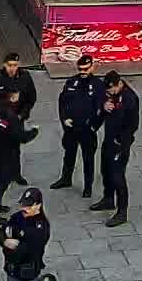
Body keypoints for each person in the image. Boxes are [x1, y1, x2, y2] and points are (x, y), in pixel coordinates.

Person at [50, 55, 107, 194]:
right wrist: (64, 119)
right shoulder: (71, 82)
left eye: (86, 69)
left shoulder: (98, 85)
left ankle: (88, 187)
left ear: (92, 67)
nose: (83, 72)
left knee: (88, 159)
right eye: (80, 69)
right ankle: (66, 178)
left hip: (87, 130)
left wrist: (94, 127)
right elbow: (62, 102)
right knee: (69, 154)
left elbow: (102, 110)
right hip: (71, 127)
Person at [90, 71, 140, 226]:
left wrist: (121, 142)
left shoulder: (130, 99)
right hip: (109, 138)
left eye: (111, 90)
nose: (109, 93)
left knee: (118, 176)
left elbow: (133, 125)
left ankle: (122, 212)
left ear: (119, 84)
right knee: (105, 169)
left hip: (120, 144)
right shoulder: (110, 94)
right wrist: (104, 106)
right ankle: (108, 198)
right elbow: (100, 103)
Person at [0, 93, 37, 224]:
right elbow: (22, 137)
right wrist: (34, 131)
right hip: (6, 154)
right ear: (13, 97)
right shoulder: (11, 116)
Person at [0, 188, 52, 281]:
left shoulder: (40, 227)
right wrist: (5, 241)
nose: (25, 208)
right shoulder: (17, 217)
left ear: (38, 205)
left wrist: (9, 247)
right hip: (12, 270)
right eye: (24, 204)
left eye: (29, 205)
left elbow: (24, 251)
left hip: (25, 274)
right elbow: (2, 231)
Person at [0, 51, 39, 124]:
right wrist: (7, 96)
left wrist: (22, 115)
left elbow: (31, 98)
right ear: (4, 64)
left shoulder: (25, 78)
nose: (12, 69)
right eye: (9, 65)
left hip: (17, 119)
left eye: (15, 65)